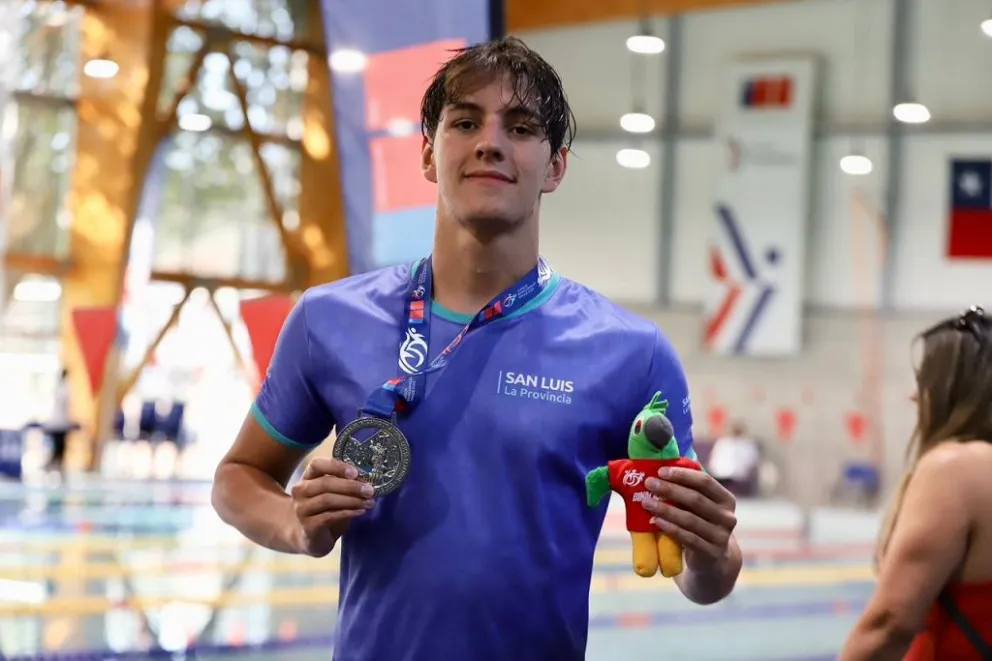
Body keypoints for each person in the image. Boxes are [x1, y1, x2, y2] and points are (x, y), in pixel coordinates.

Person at [212, 36, 742, 661]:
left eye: (520, 127)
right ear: (429, 154)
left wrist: (711, 552)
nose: (490, 142)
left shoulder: (630, 354)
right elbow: (238, 477)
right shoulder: (328, 319)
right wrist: (294, 525)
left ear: (556, 167)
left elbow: (702, 580)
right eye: (465, 122)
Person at [839, 306, 992, 660]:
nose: (913, 394)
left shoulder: (955, 469)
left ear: (954, 390)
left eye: (925, 378)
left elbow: (889, 624)